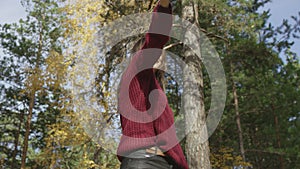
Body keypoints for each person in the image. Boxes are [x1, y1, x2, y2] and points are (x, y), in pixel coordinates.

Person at [117, 0, 188, 168]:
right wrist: (164, 6)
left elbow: (169, 142)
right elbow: (156, 37)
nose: (161, 55)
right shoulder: (137, 70)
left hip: (156, 162)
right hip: (147, 161)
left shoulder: (152, 88)